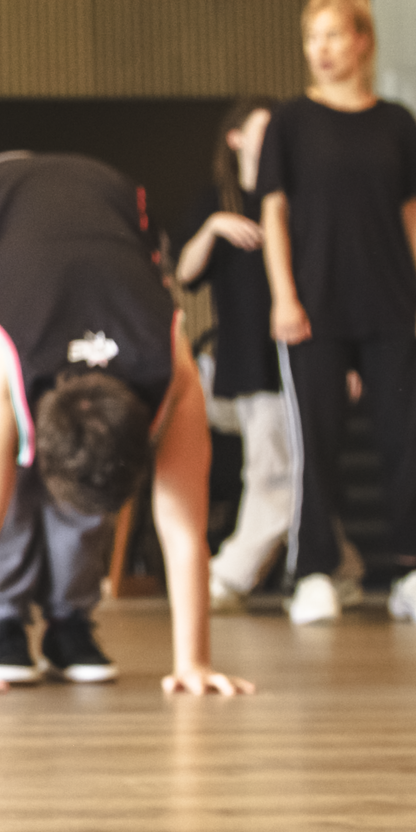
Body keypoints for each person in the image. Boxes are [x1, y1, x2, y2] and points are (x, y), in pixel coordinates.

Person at [0, 153, 251, 699]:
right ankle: (4, 623)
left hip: (112, 208)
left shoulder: (172, 368)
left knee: (94, 464)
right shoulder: (7, 364)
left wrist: (195, 663)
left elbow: (185, 530)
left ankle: (69, 622)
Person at [258, 0, 416, 627]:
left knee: (405, 438)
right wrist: (284, 295)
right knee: (317, 440)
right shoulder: (290, 122)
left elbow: (414, 212)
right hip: (313, 305)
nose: (322, 49)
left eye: (334, 35)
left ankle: (411, 571)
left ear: (363, 40)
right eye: (312, 38)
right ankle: (315, 570)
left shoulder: (397, 123)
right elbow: (274, 212)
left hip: (393, 301)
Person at [175, 98, 286, 608]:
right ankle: (331, 564)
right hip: (244, 354)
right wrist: (215, 226)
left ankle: (236, 572)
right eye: (261, 129)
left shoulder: (287, 197)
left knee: (279, 464)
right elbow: (186, 274)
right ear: (235, 137)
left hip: (289, 351)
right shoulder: (217, 199)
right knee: (274, 464)